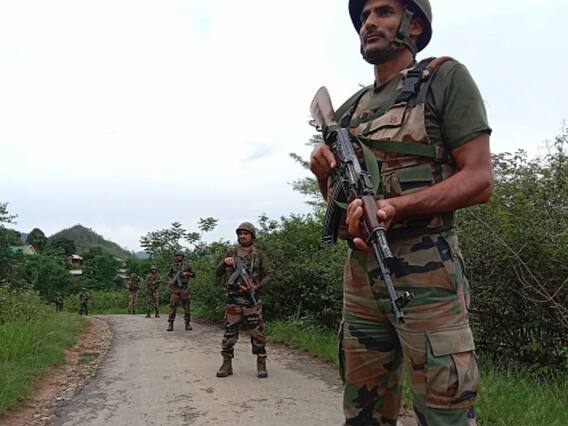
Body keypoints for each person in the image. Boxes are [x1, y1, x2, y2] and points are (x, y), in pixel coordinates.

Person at [309, 1, 493, 425]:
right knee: (363, 412)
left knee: (445, 411)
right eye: (364, 16)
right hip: (361, 279)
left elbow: (480, 178)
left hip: (429, 276)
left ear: (414, 24)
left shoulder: (443, 78)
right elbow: (341, 217)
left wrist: (395, 206)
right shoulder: (349, 111)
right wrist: (323, 176)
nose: (369, 23)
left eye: (384, 12)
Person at [215, 222, 272, 379]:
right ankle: (226, 364)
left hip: (252, 301)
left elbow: (269, 274)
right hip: (234, 301)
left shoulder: (259, 255)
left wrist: (256, 286)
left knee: (257, 333)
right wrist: (225, 262)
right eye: (240, 234)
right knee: (229, 334)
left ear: (252, 236)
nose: (242, 236)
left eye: (246, 233)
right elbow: (218, 272)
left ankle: (261, 363)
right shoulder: (231, 253)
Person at [167, 250, 195, 331]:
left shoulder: (187, 266)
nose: (178, 257)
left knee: (187, 307)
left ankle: (187, 324)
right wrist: (171, 280)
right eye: (177, 256)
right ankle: (170, 324)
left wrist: (187, 273)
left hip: (184, 288)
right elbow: (169, 275)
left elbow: (194, 274)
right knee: (173, 306)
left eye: (180, 256)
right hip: (175, 289)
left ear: (183, 257)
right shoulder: (173, 266)